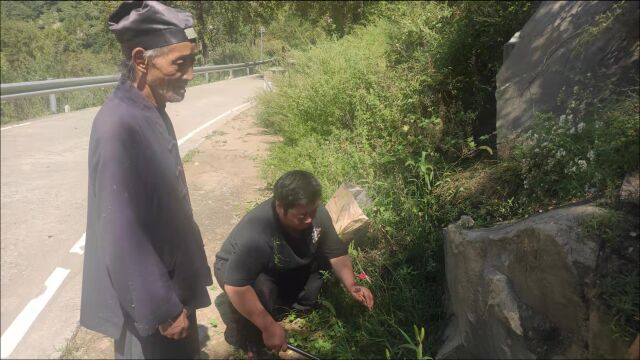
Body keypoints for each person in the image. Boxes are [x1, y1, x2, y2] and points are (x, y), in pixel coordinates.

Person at [79, 1, 212, 358]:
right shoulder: (117, 127)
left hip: (173, 284)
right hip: (151, 309)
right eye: (179, 63)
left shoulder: (152, 110)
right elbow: (121, 232)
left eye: (192, 61)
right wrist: (162, 309)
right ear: (141, 60)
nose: (190, 74)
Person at [214, 170, 374, 356]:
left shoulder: (315, 213)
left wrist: (352, 285)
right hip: (236, 271)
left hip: (277, 262)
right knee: (262, 291)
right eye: (302, 215)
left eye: (313, 211)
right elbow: (236, 286)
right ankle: (245, 334)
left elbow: (336, 253)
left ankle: (284, 308)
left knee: (320, 263)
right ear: (280, 207)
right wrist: (267, 326)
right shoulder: (258, 234)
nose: (310, 219)